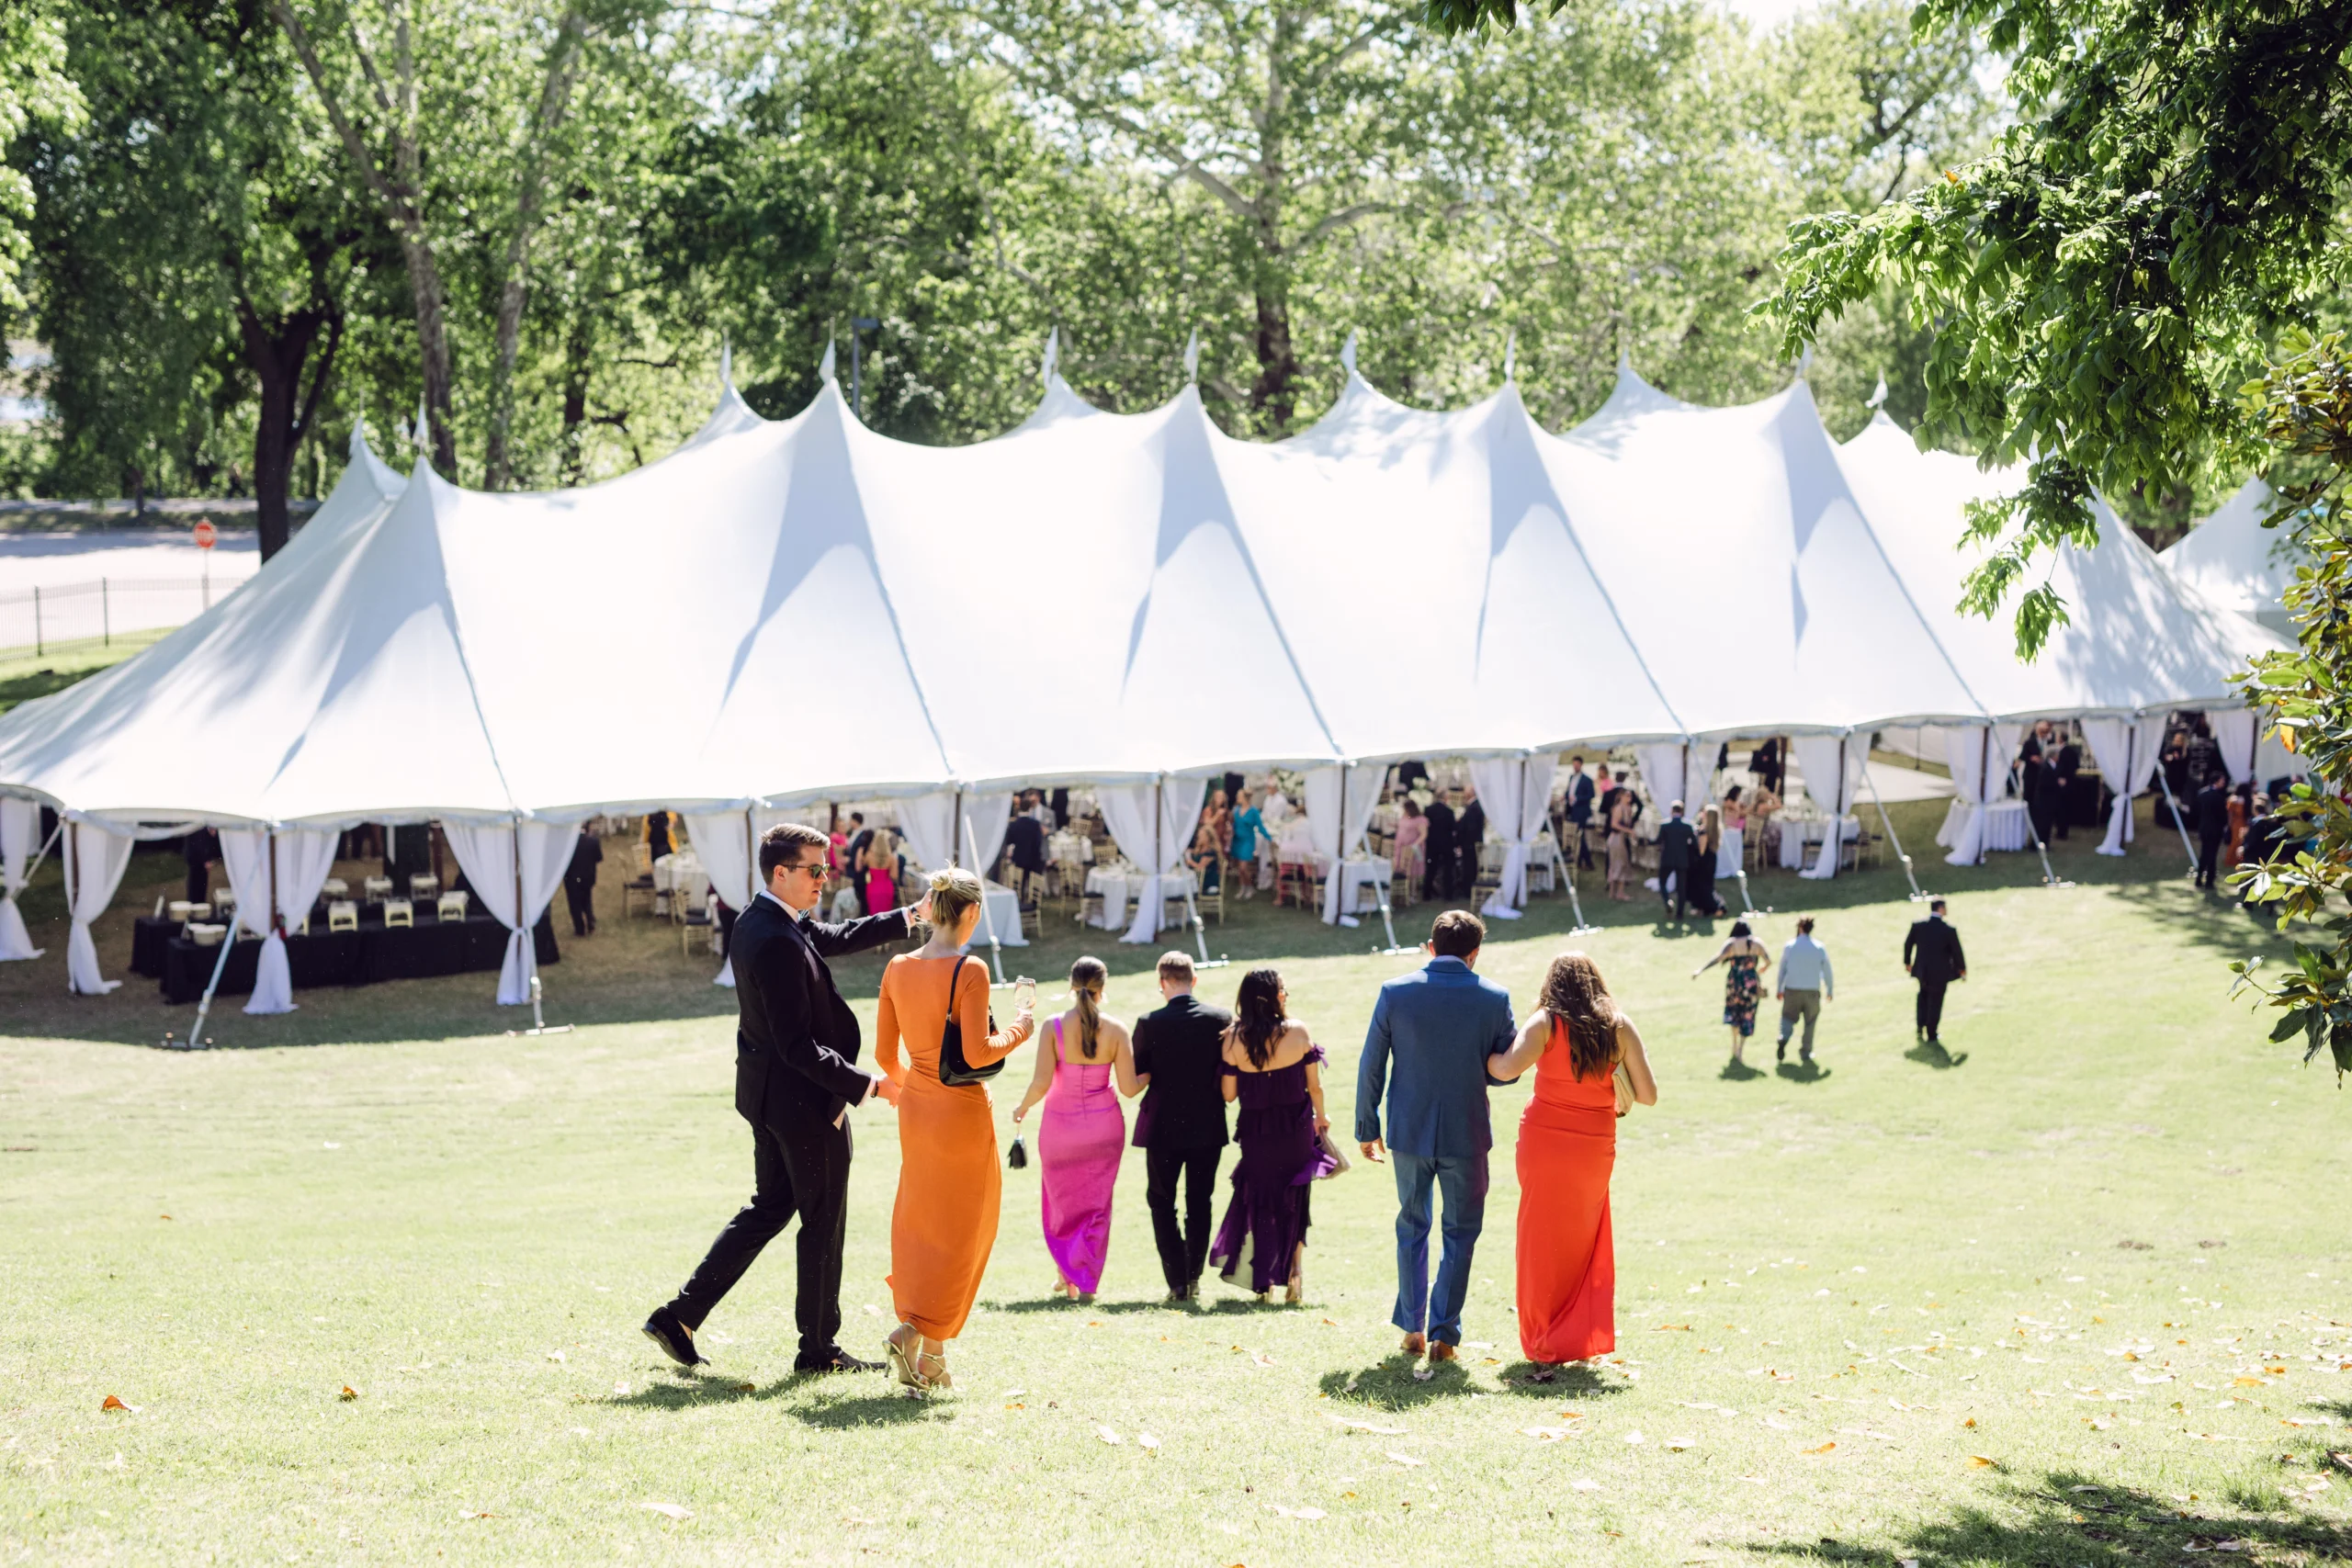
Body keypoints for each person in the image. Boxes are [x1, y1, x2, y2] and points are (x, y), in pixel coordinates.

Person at [644, 823, 919, 1377]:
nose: (824, 878)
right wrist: (867, 1086)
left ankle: (679, 1317)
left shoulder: (767, 919)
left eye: (826, 868)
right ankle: (818, 1350)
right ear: (781, 873)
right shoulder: (771, 939)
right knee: (823, 1219)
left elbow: (833, 938)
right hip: (803, 1107)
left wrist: (910, 917)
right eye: (814, 870)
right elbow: (797, 1046)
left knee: (769, 1207)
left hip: (770, 1099)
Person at [875, 869, 1037, 1391]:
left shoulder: (897, 967)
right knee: (967, 1229)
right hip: (962, 1112)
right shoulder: (971, 969)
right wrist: (1021, 1028)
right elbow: (975, 1053)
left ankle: (928, 1350)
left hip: (917, 1111)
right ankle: (922, 1339)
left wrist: (910, 1093)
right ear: (969, 913)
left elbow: (883, 1055)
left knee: (925, 1224)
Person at [1355, 910, 1515, 1361]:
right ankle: (1444, 1333)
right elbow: (1507, 1071)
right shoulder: (1494, 997)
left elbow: (1372, 1062)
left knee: (1411, 1224)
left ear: (1430, 947)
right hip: (1467, 1130)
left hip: (1407, 1129)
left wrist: (1367, 1125)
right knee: (1461, 1232)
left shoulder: (1394, 992)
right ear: (1475, 953)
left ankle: (1411, 1327)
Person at [1487, 953, 1656, 1373]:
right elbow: (1649, 1094)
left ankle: (1543, 1339)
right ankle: (1573, 1337)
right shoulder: (1618, 1024)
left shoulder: (1546, 1021)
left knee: (1539, 1239)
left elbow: (1507, 1069)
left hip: (1544, 1144)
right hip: (1593, 1149)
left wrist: (1475, 1056)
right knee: (1584, 1240)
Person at [1012, 956, 1135, 1303]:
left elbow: (1040, 1082)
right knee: (1097, 1206)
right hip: (1104, 1129)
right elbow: (1128, 1088)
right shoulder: (1116, 1029)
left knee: (1061, 1203)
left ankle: (1068, 1276)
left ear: (1071, 985)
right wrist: (1150, 1075)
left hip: (1060, 1129)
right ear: (1102, 988)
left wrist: (1021, 1108)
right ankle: (1086, 1281)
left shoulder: (1053, 1026)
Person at [1209, 967, 1337, 1303]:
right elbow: (1315, 1086)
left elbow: (1228, 1095)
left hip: (1256, 1132)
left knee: (1262, 1200)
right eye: (1283, 990)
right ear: (1272, 996)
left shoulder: (1233, 1038)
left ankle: (1263, 1281)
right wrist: (1321, 1118)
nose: (1286, 995)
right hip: (1295, 1129)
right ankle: (1295, 1273)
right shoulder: (1296, 1032)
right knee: (1294, 1198)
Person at [1130, 951, 1233, 1300]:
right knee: (1200, 1201)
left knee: (1161, 1202)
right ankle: (1193, 1275)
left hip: (1162, 1128)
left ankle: (1176, 1280)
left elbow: (1137, 1074)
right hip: (1207, 1126)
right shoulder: (1220, 1019)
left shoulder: (1149, 1022)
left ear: (1162, 983)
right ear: (1194, 980)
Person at [1693, 919, 1770, 1067]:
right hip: (1751, 983)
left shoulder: (1732, 943)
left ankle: (1734, 1045)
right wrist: (1760, 970)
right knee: (1748, 1014)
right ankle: (1740, 1048)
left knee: (1735, 1012)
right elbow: (1768, 960)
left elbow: (1718, 958)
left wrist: (1701, 970)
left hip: (1735, 983)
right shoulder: (1757, 943)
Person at [1903, 897, 1967, 1046]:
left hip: (1922, 971)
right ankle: (1931, 1032)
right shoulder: (1948, 930)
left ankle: (1920, 1024)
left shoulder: (1919, 926)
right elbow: (1957, 952)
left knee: (1923, 996)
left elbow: (1908, 944)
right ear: (1941, 909)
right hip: (1940, 973)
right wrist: (1962, 969)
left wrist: (1907, 962)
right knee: (1935, 1002)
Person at [1775, 915, 1833, 1065]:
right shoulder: (1819, 947)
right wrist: (1830, 990)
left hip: (1792, 989)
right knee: (1810, 1021)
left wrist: (1779, 988)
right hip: (1812, 991)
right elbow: (1827, 971)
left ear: (1800, 928)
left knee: (1787, 1017)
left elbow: (1782, 969)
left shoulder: (1790, 946)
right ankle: (1806, 1052)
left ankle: (1784, 1037)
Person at [1655, 800, 1698, 920]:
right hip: (1682, 860)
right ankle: (1680, 914)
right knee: (1681, 888)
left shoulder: (1665, 825)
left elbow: (1658, 841)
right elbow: (1695, 844)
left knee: (1662, 882)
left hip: (1667, 859)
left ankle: (1667, 901)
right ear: (1682, 811)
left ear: (1672, 811)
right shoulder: (1688, 826)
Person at [2193, 770, 2232, 889]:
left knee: (2204, 853)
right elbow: (2223, 817)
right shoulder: (2219, 798)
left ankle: (2199, 878)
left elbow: (2196, 811)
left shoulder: (2202, 794)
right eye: (2222, 780)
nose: (2224, 783)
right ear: (2217, 781)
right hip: (2215, 830)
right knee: (2212, 855)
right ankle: (2209, 880)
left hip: (2204, 828)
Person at [562, 823, 603, 937]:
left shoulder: (568, 842)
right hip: (588, 876)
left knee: (574, 903)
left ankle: (579, 929)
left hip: (571, 878)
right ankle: (590, 922)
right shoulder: (593, 841)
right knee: (587, 899)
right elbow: (599, 858)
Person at [1688, 804, 1725, 918]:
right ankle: (1703, 908)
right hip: (1710, 860)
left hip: (1704, 863)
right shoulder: (1714, 830)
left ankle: (1717, 908)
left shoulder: (1704, 832)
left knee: (1704, 887)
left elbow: (1701, 851)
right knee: (1707, 885)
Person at [1228, 789, 1265, 900]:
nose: (1237, 797)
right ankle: (1242, 888)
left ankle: (1250, 887)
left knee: (1244, 867)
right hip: (1237, 840)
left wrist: (1268, 837)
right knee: (1240, 868)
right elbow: (1232, 824)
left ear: (1245, 797)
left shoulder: (1253, 811)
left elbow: (1260, 826)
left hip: (1247, 841)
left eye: (1239, 795)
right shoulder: (1236, 810)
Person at [1422, 790, 1457, 901]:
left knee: (1431, 869)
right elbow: (1453, 828)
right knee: (1448, 870)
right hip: (1446, 844)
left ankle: (1426, 893)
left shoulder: (1428, 810)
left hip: (1432, 844)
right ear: (1445, 797)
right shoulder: (1449, 811)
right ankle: (1448, 895)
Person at [1605, 786, 1637, 902]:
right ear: (1621, 796)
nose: (1630, 798)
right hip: (1616, 839)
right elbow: (1614, 824)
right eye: (1627, 795)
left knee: (1619, 864)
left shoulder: (1628, 808)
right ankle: (1618, 893)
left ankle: (1615, 892)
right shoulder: (1618, 808)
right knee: (1619, 864)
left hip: (1622, 839)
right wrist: (1629, 831)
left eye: (1631, 796)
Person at [1564, 757, 1597, 869]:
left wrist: (1578, 798)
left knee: (1579, 835)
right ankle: (1581, 860)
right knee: (1577, 836)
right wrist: (1566, 796)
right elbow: (1569, 791)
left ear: (1581, 765)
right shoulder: (1571, 777)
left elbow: (1591, 795)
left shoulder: (1587, 779)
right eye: (1574, 764)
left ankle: (1587, 861)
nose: (1575, 766)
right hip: (1573, 810)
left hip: (1581, 811)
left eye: (1577, 764)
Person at [1453, 785, 1487, 899]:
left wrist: (1460, 839)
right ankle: (1467, 889)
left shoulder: (1474, 807)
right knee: (1470, 866)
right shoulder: (1474, 806)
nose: (1464, 794)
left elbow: (1470, 828)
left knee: (1469, 867)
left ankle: (1468, 891)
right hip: (1472, 842)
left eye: (1466, 792)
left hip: (1470, 843)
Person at [2049, 730, 2082, 840]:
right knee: (2064, 808)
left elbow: (2062, 767)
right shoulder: (2071, 750)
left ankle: (2061, 832)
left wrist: (2063, 778)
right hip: (2070, 783)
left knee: (2062, 808)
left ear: (2060, 738)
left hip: (2064, 784)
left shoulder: (2063, 751)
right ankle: (2062, 830)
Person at [1391, 798, 1429, 888]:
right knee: (1400, 866)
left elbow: (1424, 834)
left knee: (1412, 870)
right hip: (1401, 847)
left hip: (1412, 849)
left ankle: (1413, 891)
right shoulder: (1405, 816)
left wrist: (1414, 844)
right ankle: (1402, 888)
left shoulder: (1420, 820)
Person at [862, 828, 899, 916]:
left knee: (873, 915)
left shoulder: (869, 856)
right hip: (886, 888)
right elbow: (894, 876)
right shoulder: (891, 858)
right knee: (886, 916)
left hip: (873, 888)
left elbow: (862, 866)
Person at [182, 825, 219, 907]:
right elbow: (198, 846)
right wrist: (205, 861)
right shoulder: (198, 830)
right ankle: (195, 906)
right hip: (195, 860)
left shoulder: (203, 830)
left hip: (199, 861)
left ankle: (199, 906)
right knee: (195, 886)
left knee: (201, 885)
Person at [1718, 785, 1747, 879]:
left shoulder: (1735, 802)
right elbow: (1738, 811)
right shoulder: (1729, 802)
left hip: (1734, 827)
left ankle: (1733, 864)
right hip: (1729, 826)